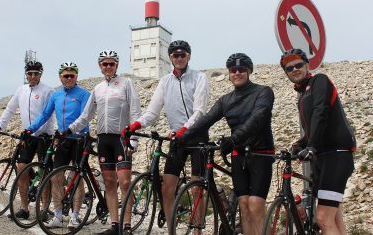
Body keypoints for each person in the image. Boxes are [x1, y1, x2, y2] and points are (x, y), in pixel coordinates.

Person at [178, 53, 275, 235]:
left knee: (255, 205)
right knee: (244, 205)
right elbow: (206, 120)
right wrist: (183, 137)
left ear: (249, 72)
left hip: (261, 154)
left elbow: (258, 118)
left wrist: (233, 139)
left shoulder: (264, 92)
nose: (237, 73)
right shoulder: (225, 100)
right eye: (233, 70)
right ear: (229, 73)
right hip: (238, 155)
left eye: (242, 69)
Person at [124, 40, 210, 232]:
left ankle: (197, 230)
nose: (179, 58)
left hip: (198, 137)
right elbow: (152, 113)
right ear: (170, 57)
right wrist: (135, 125)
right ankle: (171, 229)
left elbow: (199, 111)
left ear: (189, 56)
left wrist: (183, 129)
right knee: (167, 188)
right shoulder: (165, 81)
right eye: (175, 55)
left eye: (183, 55)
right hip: (178, 140)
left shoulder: (199, 77)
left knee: (197, 189)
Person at [280, 48, 356, 235]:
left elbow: (321, 112)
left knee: (323, 218)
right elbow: (313, 129)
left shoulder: (319, 81)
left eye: (299, 65)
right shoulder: (302, 95)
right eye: (290, 68)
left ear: (307, 65)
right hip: (322, 158)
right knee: (335, 218)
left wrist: (311, 145)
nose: (295, 69)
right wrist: (300, 144)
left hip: (336, 155)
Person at [65, 50, 141, 235]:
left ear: (117, 65)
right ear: (100, 66)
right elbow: (86, 116)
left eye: (111, 64)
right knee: (109, 183)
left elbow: (135, 112)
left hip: (122, 138)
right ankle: (115, 225)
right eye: (105, 64)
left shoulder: (126, 83)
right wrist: (68, 130)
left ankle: (127, 226)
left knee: (124, 183)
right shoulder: (97, 88)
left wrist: (134, 138)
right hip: (103, 139)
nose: (108, 67)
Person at [25, 61, 90, 229]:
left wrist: (71, 131)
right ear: (60, 77)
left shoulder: (84, 94)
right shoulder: (56, 95)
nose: (68, 78)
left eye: (72, 75)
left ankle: (75, 216)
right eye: (65, 75)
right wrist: (30, 129)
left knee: (76, 178)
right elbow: (45, 115)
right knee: (56, 177)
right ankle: (58, 215)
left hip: (79, 139)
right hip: (62, 140)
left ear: (76, 76)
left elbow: (85, 118)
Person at [0, 61, 55, 220]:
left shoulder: (48, 91)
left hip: (43, 136)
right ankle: (24, 209)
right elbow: (10, 109)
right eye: (30, 73)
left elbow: (48, 115)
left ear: (41, 74)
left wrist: (38, 131)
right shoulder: (21, 90)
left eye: (36, 73)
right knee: (21, 168)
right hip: (28, 137)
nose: (33, 76)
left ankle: (44, 209)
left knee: (44, 172)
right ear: (26, 74)